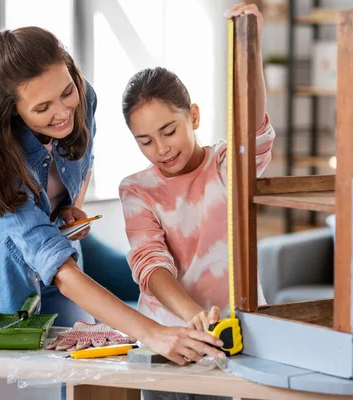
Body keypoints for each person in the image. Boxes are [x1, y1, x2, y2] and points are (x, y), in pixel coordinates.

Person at [0, 26, 224, 365]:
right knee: (11, 377)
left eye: (66, 92)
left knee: (81, 364)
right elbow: (61, 272)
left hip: (57, 255)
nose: (63, 112)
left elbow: (83, 156)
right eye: (43, 107)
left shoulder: (83, 96)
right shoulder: (4, 163)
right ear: (12, 109)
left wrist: (70, 207)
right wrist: (153, 332)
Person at [120, 4, 274, 336]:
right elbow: (151, 265)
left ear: (193, 116)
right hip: (168, 335)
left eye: (169, 131)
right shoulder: (136, 190)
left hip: (242, 328)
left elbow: (254, 131)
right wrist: (194, 315)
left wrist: (251, 49)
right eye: (145, 141)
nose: (161, 149)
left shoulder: (223, 166)